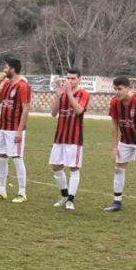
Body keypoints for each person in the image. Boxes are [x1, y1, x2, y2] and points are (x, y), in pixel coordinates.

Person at [105, 76, 136, 214]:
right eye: (115, 89)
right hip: (125, 140)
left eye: (120, 89)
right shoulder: (114, 102)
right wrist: (114, 147)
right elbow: (114, 125)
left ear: (128, 88)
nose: (117, 92)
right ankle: (117, 202)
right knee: (119, 168)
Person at [0, 57, 32, 203]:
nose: (4, 70)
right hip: (2, 127)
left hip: (14, 129)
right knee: (1, 156)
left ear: (13, 69)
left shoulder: (23, 86)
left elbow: (26, 109)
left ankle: (22, 193)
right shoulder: (6, 84)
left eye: (6, 67)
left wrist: (20, 131)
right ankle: (1, 191)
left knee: (17, 158)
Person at [50, 69, 90, 211]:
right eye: (68, 78)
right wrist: (58, 96)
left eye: (73, 78)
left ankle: (71, 200)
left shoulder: (83, 93)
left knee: (73, 168)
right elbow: (54, 113)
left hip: (74, 138)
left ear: (79, 79)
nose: (70, 81)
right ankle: (64, 195)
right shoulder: (63, 94)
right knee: (56, 166)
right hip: (60, 136)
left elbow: (79, 110)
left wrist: (68, 93)